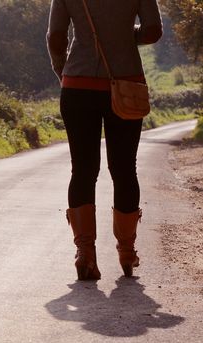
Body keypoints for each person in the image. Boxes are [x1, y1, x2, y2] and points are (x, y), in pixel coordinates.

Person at [46, 0, 163, 280]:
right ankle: (126, 252)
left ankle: (85, 253)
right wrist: (124, 35)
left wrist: (63, 70)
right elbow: (153, 31)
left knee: (83, 170)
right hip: (126, 84)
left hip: (77, 86)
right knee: (124, 170)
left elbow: (56, 36)